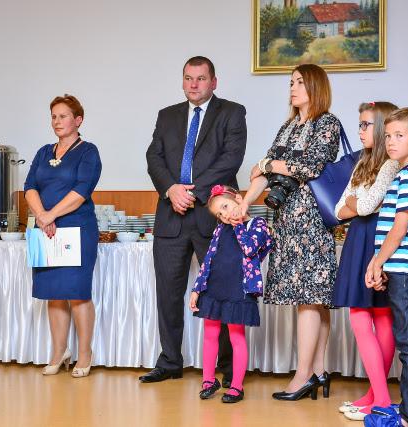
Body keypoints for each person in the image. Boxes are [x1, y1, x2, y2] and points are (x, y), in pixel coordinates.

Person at [236, 64, 340, 400]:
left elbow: (309, 166)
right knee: (312, 300)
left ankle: (303, 375)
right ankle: (319, 371)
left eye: (299, 82)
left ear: (315, 87)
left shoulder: (327, 123)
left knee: (310, 299)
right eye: (291, 82)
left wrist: (267, 164)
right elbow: (265, 173)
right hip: (286, 221)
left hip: (311, 221)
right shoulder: (288, 127)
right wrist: (244, 202)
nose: (292, 88)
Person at [142, 56, 247, 384]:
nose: (194, 84)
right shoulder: (167, 115)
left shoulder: (232, 112)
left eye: (201, 78)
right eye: (188, 78)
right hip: (170, 214)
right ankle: (170, 361)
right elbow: (154, 157)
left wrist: (194, 191)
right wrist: (171, 189)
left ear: (214, 82)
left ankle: (228, 368)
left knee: (220, 292)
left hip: (212, 214)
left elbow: (231, 158)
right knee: (168, 294)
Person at [24, 94, 102, 378]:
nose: (57, 121)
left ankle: (85, 354)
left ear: (78, 120)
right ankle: (59, 352)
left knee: (77, 293)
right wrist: (42, 215)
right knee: (53, 294)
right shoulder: (44, 152)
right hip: (45, 229)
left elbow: (81, 191)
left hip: (77, 228)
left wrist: (50, 215)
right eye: (54, 116)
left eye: (63, 116)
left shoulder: (88, 151)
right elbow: (30, 186)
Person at [332, 101, 399, 421]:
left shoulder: (391, 164)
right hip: (359, 237)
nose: (360, 131)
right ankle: (374, 395)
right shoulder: (362, 162)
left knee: (378, 315)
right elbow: (338, 210)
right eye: (359, 124)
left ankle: (381, 399)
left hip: (377, 238)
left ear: (383, 126)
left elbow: (366, 205)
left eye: (365, 125)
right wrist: (356, 203)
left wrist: (355, 202)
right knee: (363, 316)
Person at [364, 107, 408, 427]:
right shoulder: (402, 175)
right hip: (398, 267)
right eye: (388, 135)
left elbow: (400, 228)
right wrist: (381, 264)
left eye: (399, 135)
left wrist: (378, 261)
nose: (390, 141)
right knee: (407, 340)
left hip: (406, 270)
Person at [189, 185, 272, 403]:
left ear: (238, 199)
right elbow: (208, 260)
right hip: (214, 287)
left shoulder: (258, 225)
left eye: (226, 207)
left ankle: (236, 386)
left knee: (236, 336)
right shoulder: (220, 229)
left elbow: (249, 249)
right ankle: (208, 380)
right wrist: (197, 289)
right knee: (210, 334)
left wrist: (238, 225)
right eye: (220, 213)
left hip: (239, 289)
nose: (225, 215)